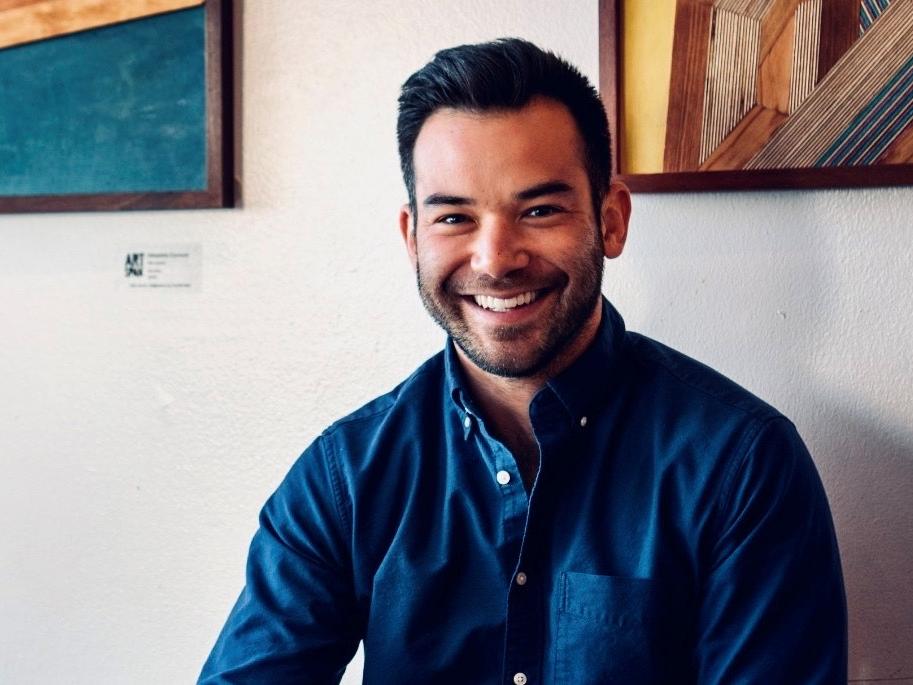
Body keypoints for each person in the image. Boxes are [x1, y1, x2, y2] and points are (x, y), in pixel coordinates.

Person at [200, 38, 847, 684]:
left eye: (538, 210)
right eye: (454, 217)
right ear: (412, 237)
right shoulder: (345, 475)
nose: (495, 259)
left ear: (611, 220)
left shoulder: (740, 463)